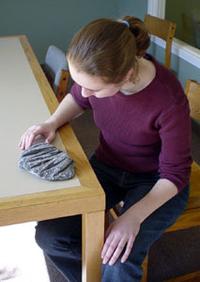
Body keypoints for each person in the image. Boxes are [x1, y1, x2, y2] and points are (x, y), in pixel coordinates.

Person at [19, 16, 192, 282]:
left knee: (119, 258)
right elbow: (77, 98)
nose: (85, 93)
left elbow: (175, 174)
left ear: (127, 76)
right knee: (51, 236)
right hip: (109, 165)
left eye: (94, 89)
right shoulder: (101, 74)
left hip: (158, 182)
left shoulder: (168, 99)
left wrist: (131, 217)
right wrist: (51, 122)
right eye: (82, 82)